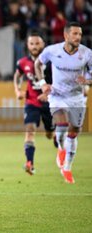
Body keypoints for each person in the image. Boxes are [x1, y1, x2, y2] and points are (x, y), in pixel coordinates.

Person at [35, 22, 92, 184]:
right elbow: (37, 64)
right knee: (61, 126)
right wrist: (43, 84)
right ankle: (60, 148)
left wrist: (87, 80)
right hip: (57, 95)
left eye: (80, 34)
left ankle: (67, 167)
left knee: (74, 131)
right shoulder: (52, 51)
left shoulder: (87, 54)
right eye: (74, 34)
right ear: (66, 35)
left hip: (76, 97)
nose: (78, 37)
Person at [13, 32, 56, 175]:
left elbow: (60, 81)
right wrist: (17, 90)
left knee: (50, 133)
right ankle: (29, 163)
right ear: (28, 45)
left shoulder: (52, 62)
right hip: (32, 102)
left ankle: (55, 135)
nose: (35, 46)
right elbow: (17, 76)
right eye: (32, 44)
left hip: (50, 103)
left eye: (37, 43)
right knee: (30, 130)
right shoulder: (22, 62)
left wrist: (48, 93)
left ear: (43, 44)